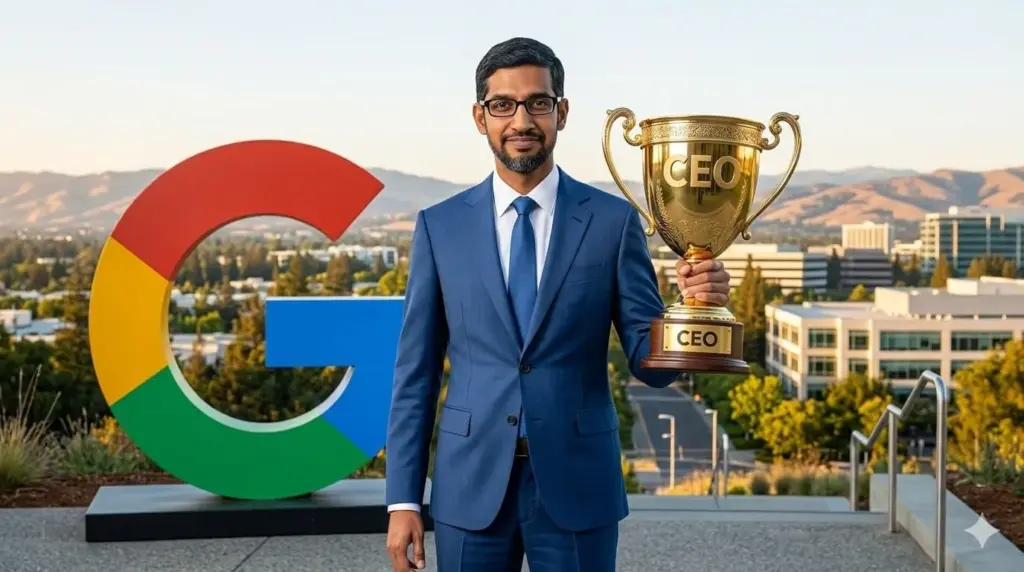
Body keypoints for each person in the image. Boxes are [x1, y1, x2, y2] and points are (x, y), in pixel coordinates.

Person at [384, 37, 731, 572]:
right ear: (480, 117)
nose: (521, 120)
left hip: (577, 485)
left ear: (561, 112)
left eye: (537, 103)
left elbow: (648, 362)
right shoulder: (439, 227)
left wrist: (692, 314)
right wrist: (404, 499)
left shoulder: (613, 224)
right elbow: (416, 375)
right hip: (469, 484)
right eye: (503, 104)